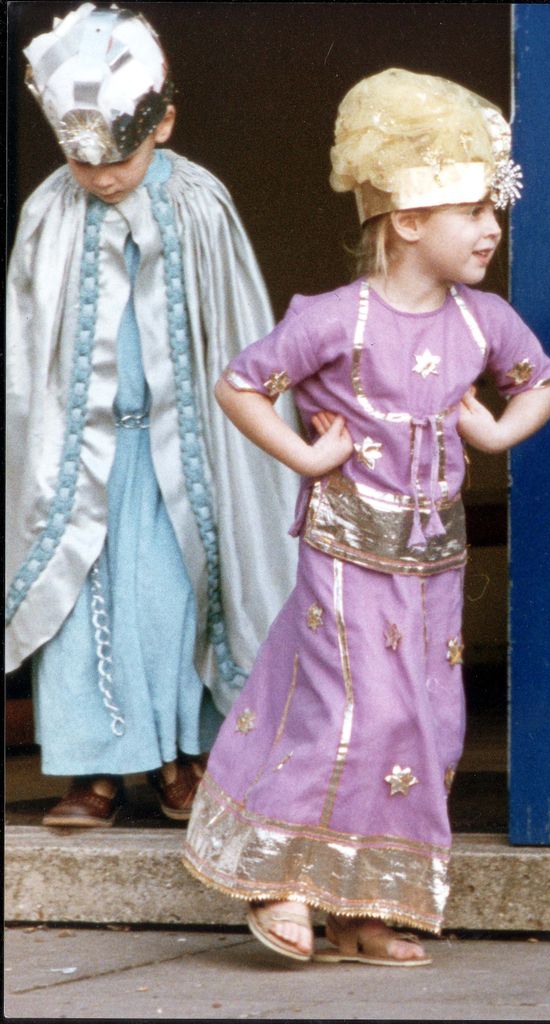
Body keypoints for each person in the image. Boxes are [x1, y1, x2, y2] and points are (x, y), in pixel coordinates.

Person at [184, 68, 550, 965]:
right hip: (346, 559)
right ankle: (282, 884)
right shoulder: (335, 320)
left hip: (432, 567)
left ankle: (361, 913)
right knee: (354, 710)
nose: (490, 228)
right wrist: (309, 457)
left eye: (489, 209)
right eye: (472, 210)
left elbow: (538, 381)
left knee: (424, 723)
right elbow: (241, 383)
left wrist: (499, 430)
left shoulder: (484, 323)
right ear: (406, 221)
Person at [5, 3, 298, 828]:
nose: (99, 177)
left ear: (163, 123)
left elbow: (237, 325)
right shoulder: (48, 211)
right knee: (80, 602)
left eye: (119, 159)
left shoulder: (201, 202)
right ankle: (91, 774)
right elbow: (28, 344)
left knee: (178, 601)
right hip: (82, 455)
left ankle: (183, 760)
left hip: (182, 454)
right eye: (79, 159)